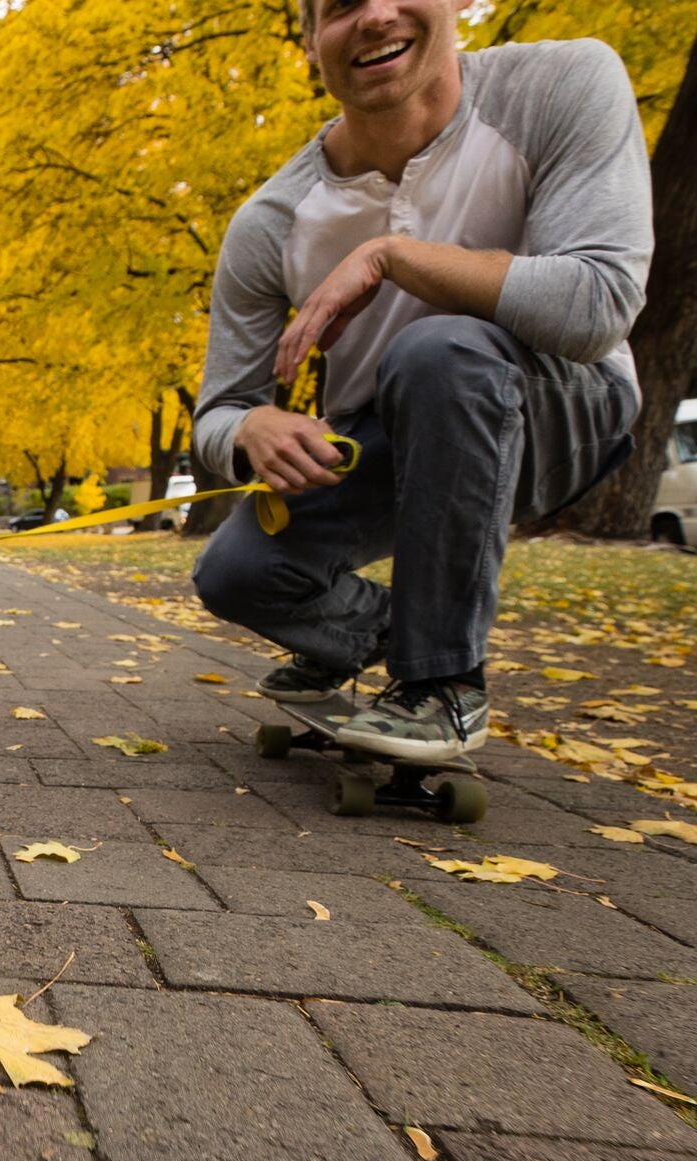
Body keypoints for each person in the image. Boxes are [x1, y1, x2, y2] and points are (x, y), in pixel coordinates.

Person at [190, 0, 650, 762]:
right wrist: (249, 427)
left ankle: (442, 683)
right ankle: (386, 632)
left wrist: (393, 256)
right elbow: (218, 409)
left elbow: (597, 304)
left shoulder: (563, 84)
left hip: (566, 409)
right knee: (238, 574)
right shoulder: (271, 221)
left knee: (439, 352)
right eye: (341, 5)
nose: (375, 16)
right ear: (311, 42)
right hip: (387, 440)